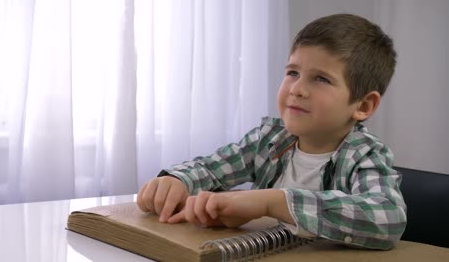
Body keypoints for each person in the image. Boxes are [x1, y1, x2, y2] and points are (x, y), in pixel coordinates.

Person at [137, 13, 407, 250]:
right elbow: (210, 168)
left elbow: (388, 218)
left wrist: (270, 202)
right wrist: (177, 180)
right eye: (292, 72)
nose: (296, 89)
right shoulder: (270, 138)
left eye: (321, 79)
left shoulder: (366, 154)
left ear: (363, 105)